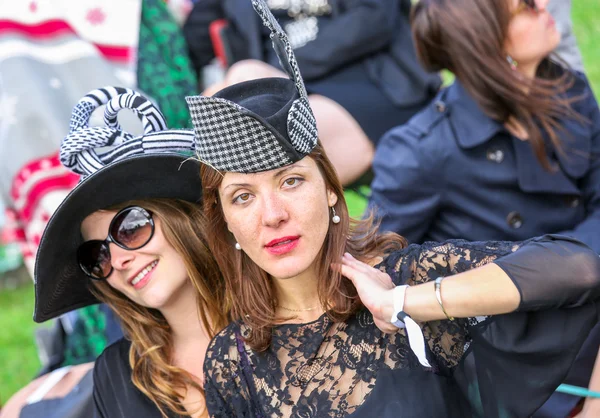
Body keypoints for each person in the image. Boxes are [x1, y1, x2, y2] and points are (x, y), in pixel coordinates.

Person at [185, 1, 600, 417]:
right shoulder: (230, 361)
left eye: (291, 181)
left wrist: (406, 302)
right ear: (224, 221)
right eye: (243, 196)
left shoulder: (399, 279)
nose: (272, 214)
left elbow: (577, 267)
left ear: (332, 190)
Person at [367, 0, 600, 416]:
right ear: (487, 43)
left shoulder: (568, 90)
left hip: (586, 297)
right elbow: (383, 267)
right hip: (519, 349)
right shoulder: (422, 151)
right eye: (526, 6)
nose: (544, 4)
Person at [33, 87, 228, 418]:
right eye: (98, 255)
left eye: (130, 228)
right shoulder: (118, 375)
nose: (118, 261)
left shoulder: (281, 322)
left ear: (180, 216)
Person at [183, 0, 441, 185]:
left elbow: (374, 18)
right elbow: (192, 41)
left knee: (249, 82)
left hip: (373, 81)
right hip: (286, 86)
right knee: (234, 84)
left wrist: (287, 66)